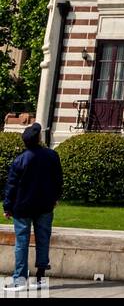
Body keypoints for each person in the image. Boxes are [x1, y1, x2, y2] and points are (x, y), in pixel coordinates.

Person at [3, 122, 63, 286]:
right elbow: (58, 180)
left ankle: (20, 279)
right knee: (43, 240)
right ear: (39, 138)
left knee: (21, 243)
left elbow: (11, 186)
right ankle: (41, 276)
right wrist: (55, 197)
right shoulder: (52, 156)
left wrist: (7, 207)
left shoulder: (20, 160)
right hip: (45, 205)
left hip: (22, 207)